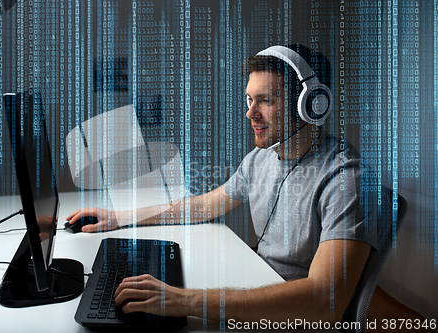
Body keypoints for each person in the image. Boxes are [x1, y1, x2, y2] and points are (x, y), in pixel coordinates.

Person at [66, 44, 377, 324]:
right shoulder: (261, 158)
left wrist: (184, 300)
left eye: (265, 101)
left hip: (293, 315)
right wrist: (120, 218)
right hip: (260, 288)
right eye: (249, 99)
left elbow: (325, 302)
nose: (249, 113)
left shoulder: (345, 178)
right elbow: (205, 205)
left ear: (311, 104)